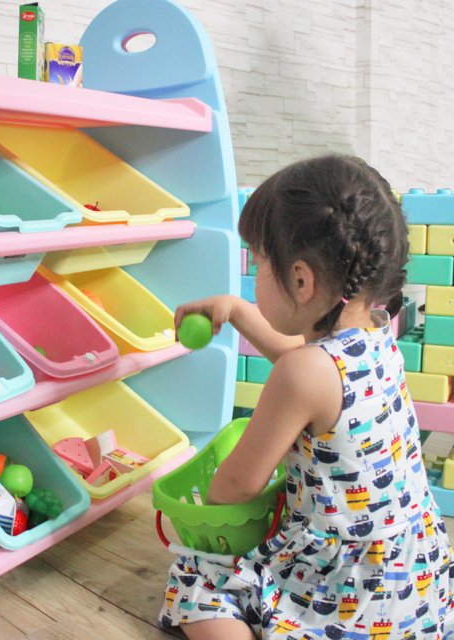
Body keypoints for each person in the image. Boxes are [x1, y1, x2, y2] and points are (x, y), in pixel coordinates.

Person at [159, 154, 454, 639]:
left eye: (257, 261)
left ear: (300, 278)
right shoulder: (377, 333)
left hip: (344, 588)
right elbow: (298, 356)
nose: (253, 275)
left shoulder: (303, 373)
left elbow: (235, 488)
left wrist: (208, 527)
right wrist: (235, 310)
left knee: (195, 581)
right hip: (411, 576)